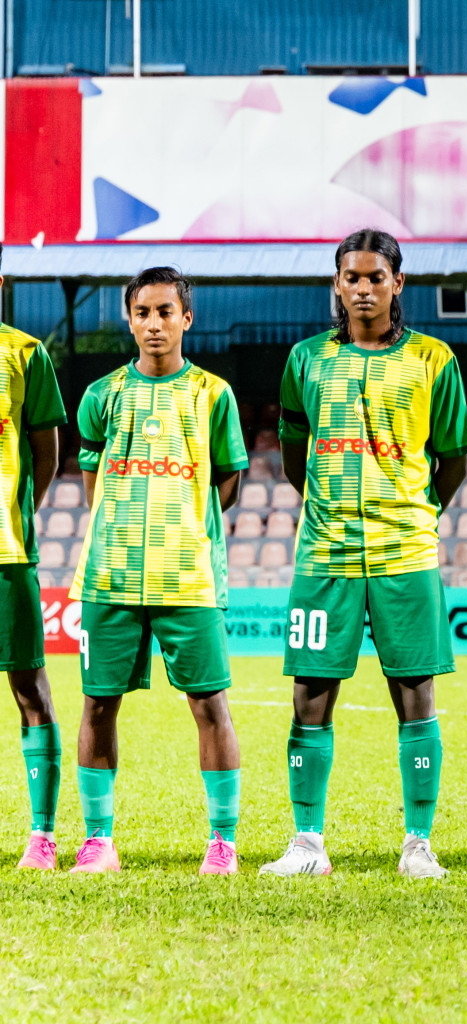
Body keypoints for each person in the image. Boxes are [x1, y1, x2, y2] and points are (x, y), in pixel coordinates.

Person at [261, 230, 467, 879]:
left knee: (414, 693)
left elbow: (454, 460)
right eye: (351, 277)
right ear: (336, 285)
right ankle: (307, 842)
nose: (362, 288)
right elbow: (295, 454)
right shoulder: (306, 359)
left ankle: (418, 843)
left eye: (375, 277)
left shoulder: (434, 360)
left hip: (404, 551)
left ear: (397, 284)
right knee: (311, 694)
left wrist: (410, 512)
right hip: (326, 553)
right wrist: (328, 506)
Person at [68, 267, 247, 875]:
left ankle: (222, 841)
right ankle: (99, 842)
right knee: (97, 705)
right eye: (143, 312)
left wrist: (181, 530)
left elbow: (229, 480)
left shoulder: (213, 395)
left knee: (208, 704)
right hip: (111, 577)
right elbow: (93, 483)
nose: (154, 324)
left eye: (166, 312)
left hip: (189, 578)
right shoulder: (102, 396)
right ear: (129, 318)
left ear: (186, 318)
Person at [0, 245, 67, 871]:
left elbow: (46, 452)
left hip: (7, 553)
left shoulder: (24, 354)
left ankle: (41, 835)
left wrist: (20, 511)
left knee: (30, 689)